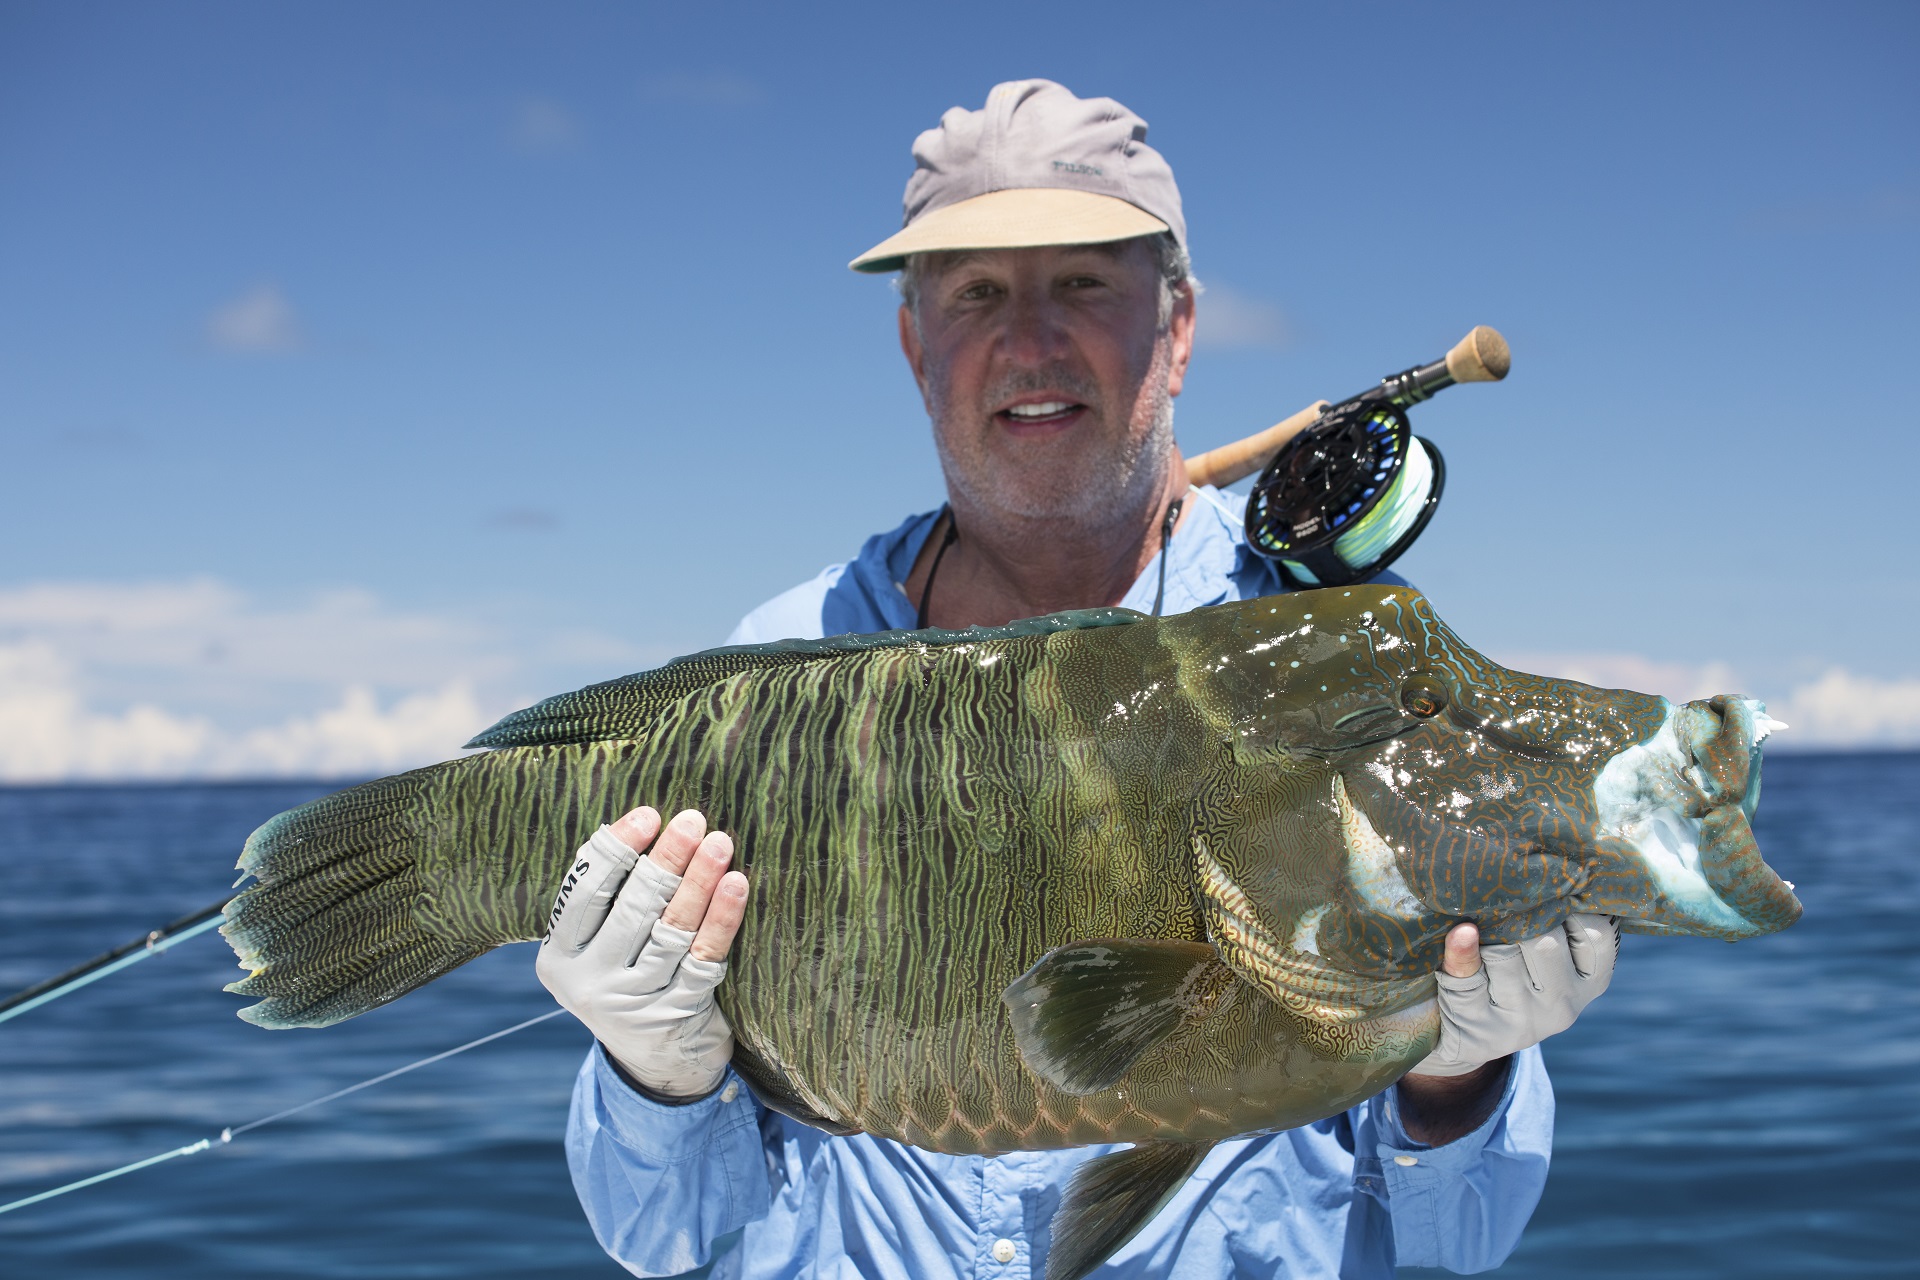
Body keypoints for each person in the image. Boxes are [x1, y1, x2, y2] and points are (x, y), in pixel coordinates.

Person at [536, 80, 1617, 1278]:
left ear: (1182, 323)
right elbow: (669, 1237)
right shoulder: (790, 660)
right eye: (980, 293)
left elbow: (1456, 1239)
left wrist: (1459, 1071)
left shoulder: (1332, 663)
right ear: (914, 342)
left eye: (1085, 284)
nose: (1032, 339)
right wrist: (655, 1071)